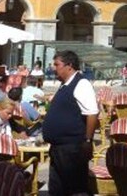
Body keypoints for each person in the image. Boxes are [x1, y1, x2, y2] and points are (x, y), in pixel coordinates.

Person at [42, 50, 99, 196]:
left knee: (75, 188)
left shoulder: (81, 84)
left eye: (57, 64)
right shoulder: (64, 85)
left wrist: (87, 140)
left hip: (71, 148)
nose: (54, 68)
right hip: (58, 148)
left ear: (69, 66)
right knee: (57, 187)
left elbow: (92, 113)